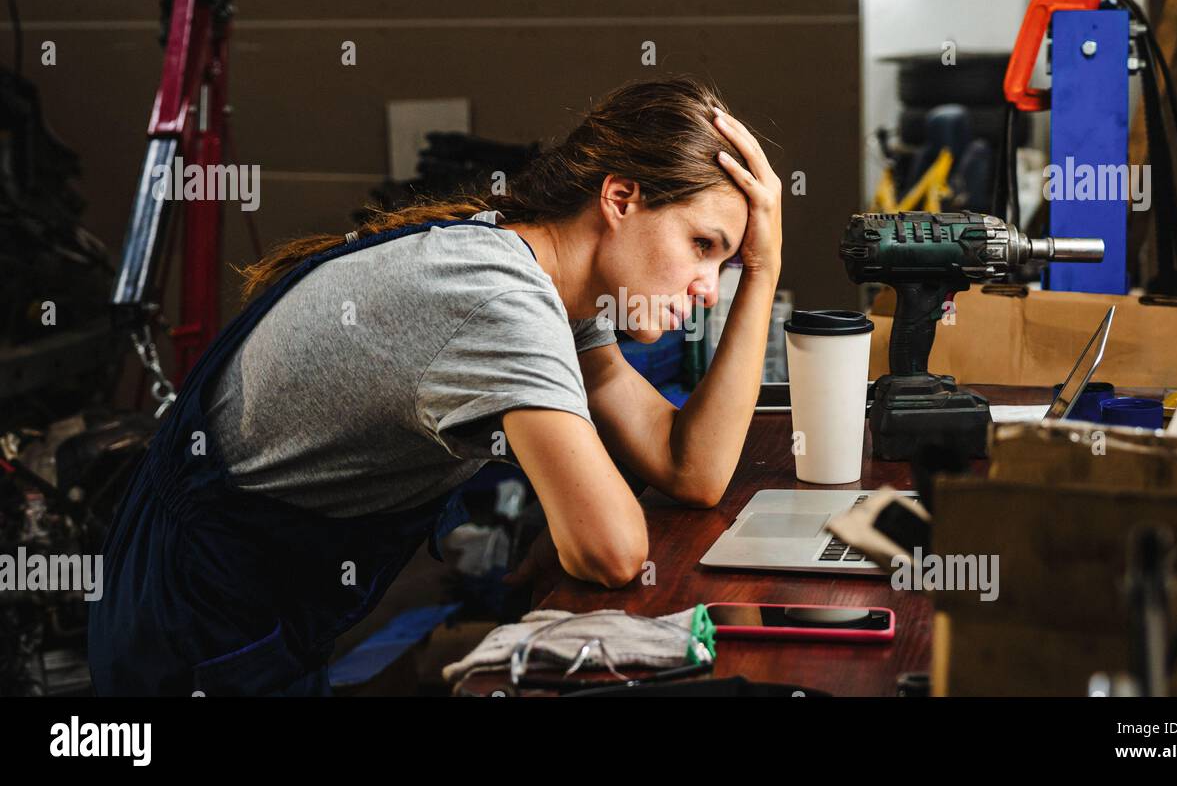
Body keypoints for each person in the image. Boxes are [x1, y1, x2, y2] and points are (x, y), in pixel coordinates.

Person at [88, 75, 783, 695]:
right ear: (620, 198)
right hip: (194, 614)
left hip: (248, 597)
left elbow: (691, 469)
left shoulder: (555, 289)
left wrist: (763, 268)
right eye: (702, 245)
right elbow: (610, 550)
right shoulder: (498, 295)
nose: (704, 287)